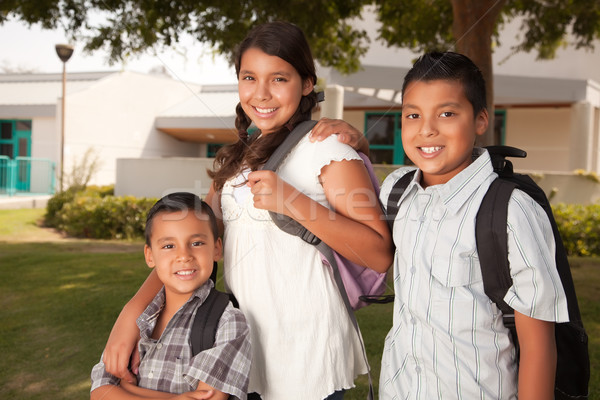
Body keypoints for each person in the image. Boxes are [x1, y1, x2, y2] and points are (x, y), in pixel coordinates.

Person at [100, 21, 394, 400]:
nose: (261, 93)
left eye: (279, 79)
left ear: (306, 84)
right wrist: (131, 315)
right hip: (235, 349)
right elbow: (191, 242)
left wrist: (294, 203)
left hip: (306, 356)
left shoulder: (328, 148)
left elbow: (379, 253)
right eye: (249, 77)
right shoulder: (236, 161)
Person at [314, 51, 570, 399]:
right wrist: (362, 146)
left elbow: (539, 346)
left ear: (481, 120)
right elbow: (370, 240)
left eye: (447, 113)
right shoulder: (399, 190)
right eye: (413, 115)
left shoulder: (510, 210)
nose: (427, 129)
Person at [90, 192, 251, 400]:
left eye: (197, 243)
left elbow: (209, 397)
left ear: (217, 248)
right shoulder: (140, 320)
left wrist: (126, 389)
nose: (184, 256)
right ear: (150, 256)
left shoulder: (227, 322)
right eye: (168, 246)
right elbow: (99, 393)